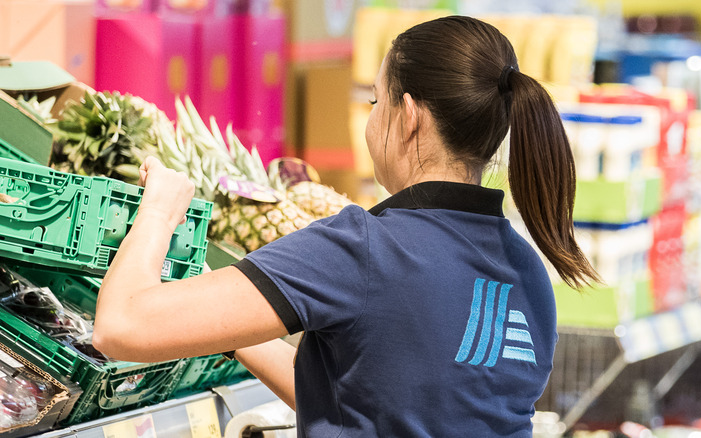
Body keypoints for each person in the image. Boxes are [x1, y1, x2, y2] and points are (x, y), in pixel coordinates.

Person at [93, 15, 599, 437]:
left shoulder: (366, 249)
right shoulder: (528, 271)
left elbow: (121, 327)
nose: (371, 118)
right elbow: (380, 397)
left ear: (409, 115)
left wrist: (160, 207)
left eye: (376, 101)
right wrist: (230, 326)